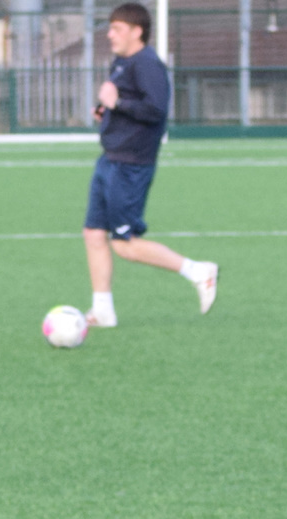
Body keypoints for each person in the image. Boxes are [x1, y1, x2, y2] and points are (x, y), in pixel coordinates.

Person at [83, 2, 216, 328]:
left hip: (130, 165)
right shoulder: (122, 62)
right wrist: (106, 111)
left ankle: (198, 271)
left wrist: (118, 103)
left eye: (117, 28)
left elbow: (155, 110)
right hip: (110, 159)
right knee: (93, 233)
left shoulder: (148, 64)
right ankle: (102, 310)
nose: (110, 34)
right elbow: (123, 104)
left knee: (124, 245)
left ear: (137, 31)